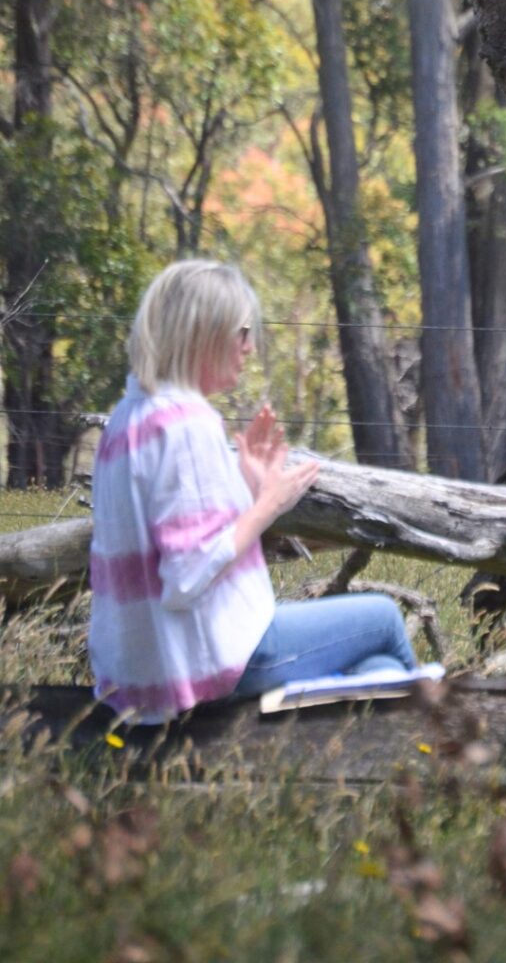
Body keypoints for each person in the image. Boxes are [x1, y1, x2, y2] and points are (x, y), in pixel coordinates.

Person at [89, 260, 417, 724]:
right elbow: (187, 574)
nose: (250, 346)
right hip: (207, 661)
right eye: (242, 331)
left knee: (378, 672)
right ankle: (436, 763)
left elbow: (175, 537)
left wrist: (243, 488)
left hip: (139, 673)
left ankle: (360, 772)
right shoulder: (187, 424)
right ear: (205, 333)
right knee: (383, 619)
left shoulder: (127, 419)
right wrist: (269, 505)